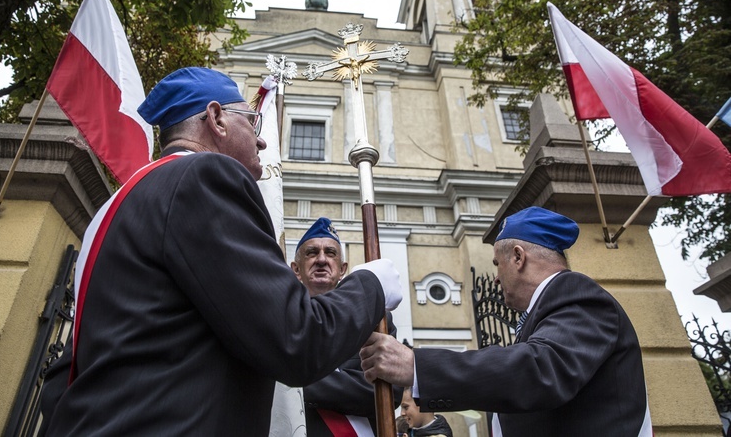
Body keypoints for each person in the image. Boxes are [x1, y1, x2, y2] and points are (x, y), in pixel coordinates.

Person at [42, 67, 402, 435]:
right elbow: (296, 339)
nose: (261, 142)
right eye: (252, 121)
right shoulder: (206, 176)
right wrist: (370, 284)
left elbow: (61, 379)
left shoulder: (118, 204)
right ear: (216, 118)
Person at [360, 206, 652, 436]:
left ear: (518, 257)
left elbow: (538, 369)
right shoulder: (548, 311)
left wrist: (416, 366)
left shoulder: (577, 294)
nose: (496, 278)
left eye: (497, 265)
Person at [291, 217, 401, 436]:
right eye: (312, 253)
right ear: (296, 269)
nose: (321, 259)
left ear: (342, 269)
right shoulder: (282, 316)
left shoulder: (376, 320)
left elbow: (387, 390)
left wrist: (293, 381)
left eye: (330, 253)